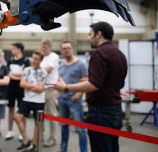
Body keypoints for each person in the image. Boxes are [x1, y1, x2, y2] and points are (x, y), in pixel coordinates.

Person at [54, 22, 128, 152]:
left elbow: (94, 85)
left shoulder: (99, 53)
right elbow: (117, 83)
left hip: (101, 113)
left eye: (90, 34)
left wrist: (65, 87)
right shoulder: (120, 54)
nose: (88, 38)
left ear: (98, 34)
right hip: (115, 111)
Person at [57, 41, 88, 152]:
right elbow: (59, 79)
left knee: (80, 129)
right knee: (64, 126)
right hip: (62, 100)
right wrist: (58, 93)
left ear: (72, 49)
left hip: (74, 100)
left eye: (68, 48)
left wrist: (78, 95)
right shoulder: (61, 65)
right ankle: (63, 147)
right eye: (64, 48)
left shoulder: (81, 64)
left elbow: (86, 81)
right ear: (61, 51)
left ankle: (83, 150)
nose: (67, 50)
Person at [14, 51, 46, 152]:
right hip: (27, 99)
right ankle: (25, 141)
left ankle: (33, 145)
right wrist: (34, 86)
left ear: (40, 60)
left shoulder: (44, 72)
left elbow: (40, 89)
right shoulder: (27, 70)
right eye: (33, 58)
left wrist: (29, 85)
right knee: (17, 117)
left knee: (37, 123)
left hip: (39, 100)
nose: (34, 61)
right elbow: (22, 84)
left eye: (36, 59)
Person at [5, 43, 31, 141]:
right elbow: (8, 74)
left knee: (22, 111)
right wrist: (18, 75)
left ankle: (22, 132)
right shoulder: (10, 60)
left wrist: (13, 74)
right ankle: (9, 131)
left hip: (22, 88)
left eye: (14, 48)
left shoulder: (26, 61)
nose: (12, 50)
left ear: (19, 49)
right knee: (11, 109)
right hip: (11, 88)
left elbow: (25, 73)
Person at [40, 39, 59, 147]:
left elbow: (47, 69)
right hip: (41, 88)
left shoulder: (54, 57)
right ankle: (40, 136)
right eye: (42, 47)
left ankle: (53, 138)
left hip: (50, 88)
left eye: (45, 47)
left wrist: (35, 71)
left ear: (50, 47)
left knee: (52, 114)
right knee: (40, 114)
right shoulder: (42, 57)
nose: (43, 49)